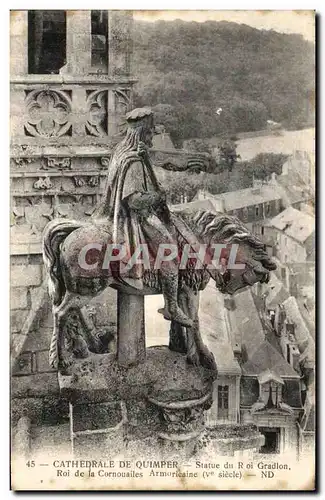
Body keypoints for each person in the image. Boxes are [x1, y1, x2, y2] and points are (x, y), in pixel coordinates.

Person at [93, 107, 193, 328]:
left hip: (120, 213)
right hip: (134, 218)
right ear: (140, 134)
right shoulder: (133, 160)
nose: (151, 138)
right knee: (170, 249)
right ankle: (172, 306)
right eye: (149, 134)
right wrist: (156, 197)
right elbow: (134, 201)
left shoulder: (121, 152)